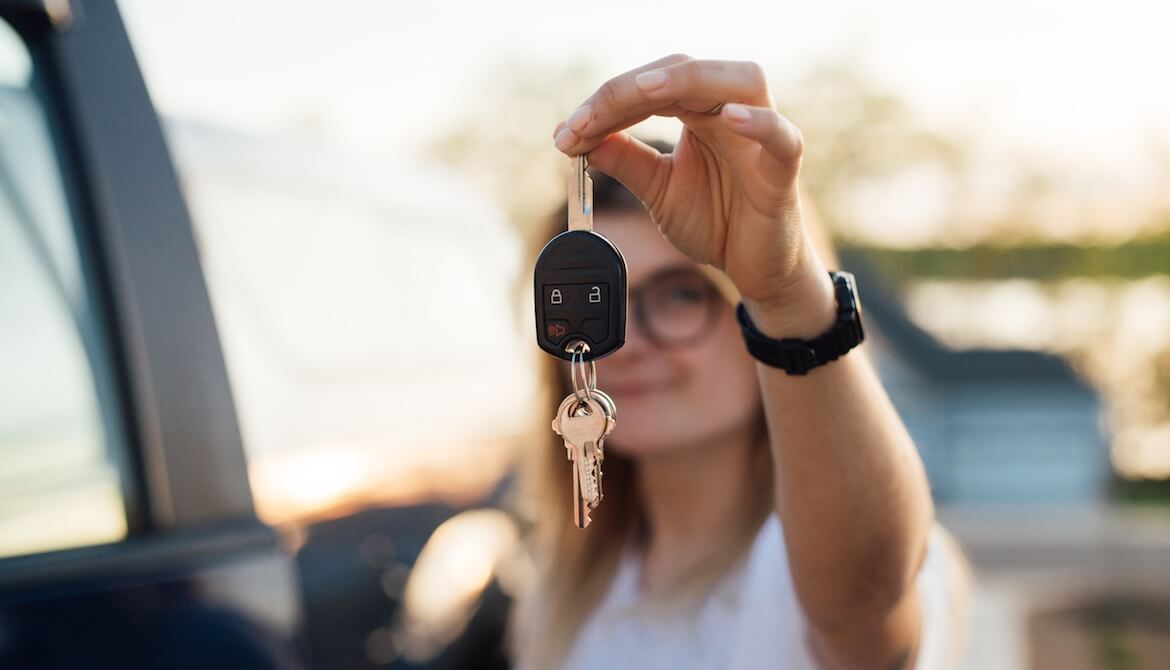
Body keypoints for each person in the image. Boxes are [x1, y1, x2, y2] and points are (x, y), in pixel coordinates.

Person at [511, 54, 969, 670]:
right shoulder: (565, 582)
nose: (626, 341)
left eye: (679, 294)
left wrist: (785, 295)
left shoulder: (808, 565)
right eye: (600, 305)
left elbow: (862, 605)